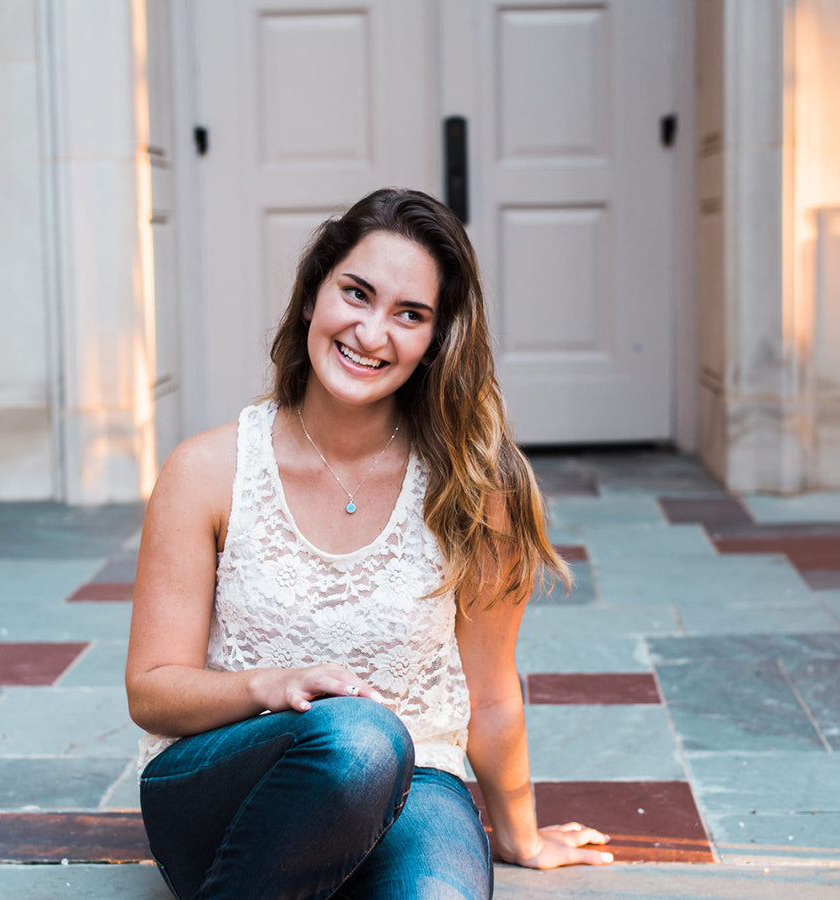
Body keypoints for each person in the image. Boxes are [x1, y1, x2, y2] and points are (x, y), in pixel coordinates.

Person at [126, 188, 613, 900]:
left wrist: (521, 835)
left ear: (436, 340)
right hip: (222, 793)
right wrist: (273, 687)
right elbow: (152, 689)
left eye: (409, 315)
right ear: (310, 299)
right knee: (357, 739)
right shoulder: (207, 470)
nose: (372, 332)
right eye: (357, 294)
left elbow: (491, 691)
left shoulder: (475, 485)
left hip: (418, 792)